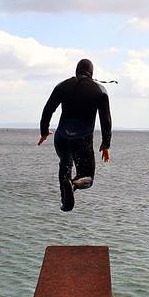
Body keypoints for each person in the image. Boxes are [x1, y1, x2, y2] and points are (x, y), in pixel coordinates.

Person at [38, 58, 112, 212]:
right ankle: (74, 184)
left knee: (65, 163)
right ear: (91, 73)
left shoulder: (62, 86)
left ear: (76, 71)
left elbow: (48, 109)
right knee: (87, 177)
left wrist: (44, 132)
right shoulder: (100, 90)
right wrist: (106, 144)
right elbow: (106, 120)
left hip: (61, 138)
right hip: (82, 141)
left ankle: (65, 202)